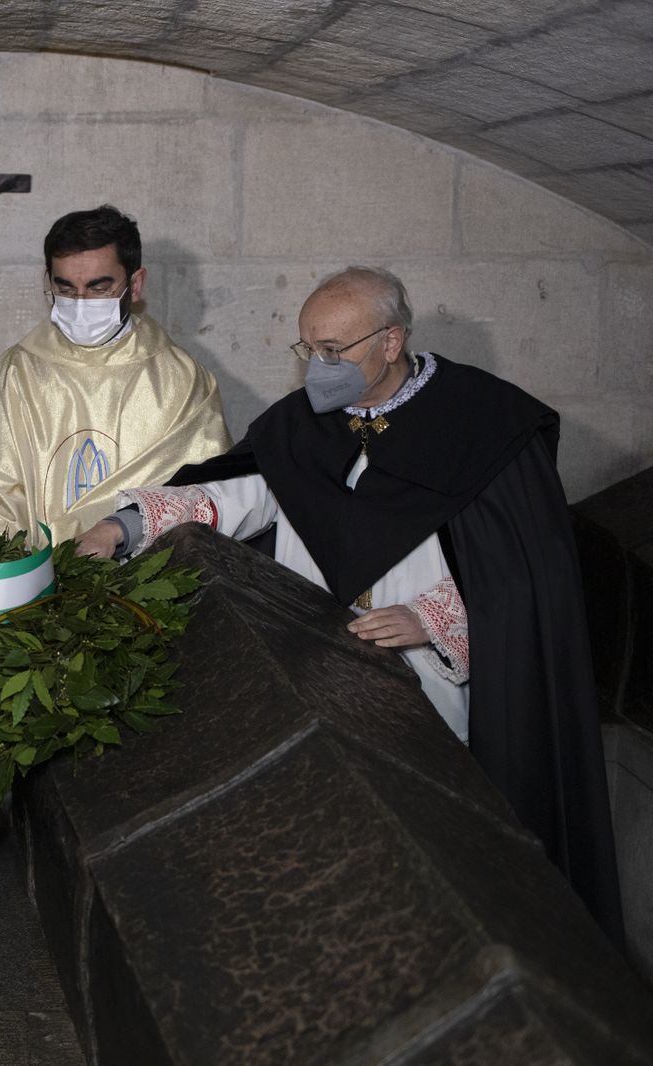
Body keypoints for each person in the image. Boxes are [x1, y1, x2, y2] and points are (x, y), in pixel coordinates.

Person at [73, 266, 624, 945]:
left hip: (431, 680)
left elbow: (523, 571)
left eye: (335, 350)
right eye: (307, 349)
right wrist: (121, 528)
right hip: (316, 668)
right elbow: (232, 497)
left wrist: (432, 619)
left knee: (436, 840)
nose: (318, 368)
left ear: (390, 342)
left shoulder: (486, 423)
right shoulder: (301, 427)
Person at [0, 204, 232, 544]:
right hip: (36, 586)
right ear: (48, 282)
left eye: (99, 288)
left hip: (144, 585)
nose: (81, 302)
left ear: (136, 284)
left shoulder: (181, 379)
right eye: (66, 289)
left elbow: (203, 495)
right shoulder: (17, 371)